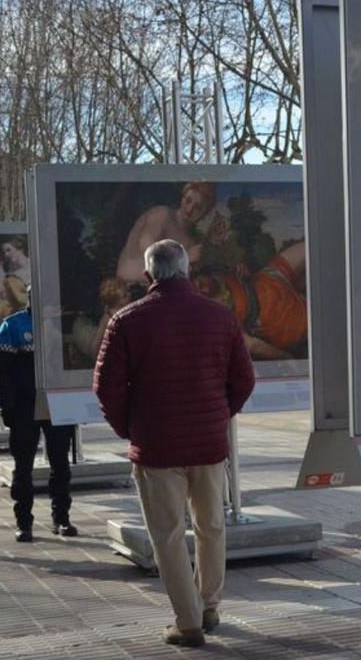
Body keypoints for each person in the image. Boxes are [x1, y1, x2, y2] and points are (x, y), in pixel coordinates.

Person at [94, 239, 254, 648]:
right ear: (185, 270)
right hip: (209, 445)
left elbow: (106, 387)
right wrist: (220, 416)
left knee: (167, 536)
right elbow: (244, 379)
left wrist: (130, 428)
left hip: (157, 449)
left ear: (148, 275)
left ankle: (188, 623)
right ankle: (210, 605)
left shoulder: (127, 321)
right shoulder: (220, 316)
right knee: (211, 527)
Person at [0, 287, 77, 542]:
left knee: (60, 463)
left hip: (58, 403)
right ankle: (24, 522)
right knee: (23, 465)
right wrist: (7, 406)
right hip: (24, 408)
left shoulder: (63, 324)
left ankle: (61, 518)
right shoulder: (13, 325)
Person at [115, 183, 217, 285]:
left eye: (198, 208)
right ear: (182, 197)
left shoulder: (190, 243)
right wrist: (186, 258)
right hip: (128, 286)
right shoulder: (162, 215)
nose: (189, 210)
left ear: (205, 213)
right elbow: (147, 251)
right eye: (188, 200)